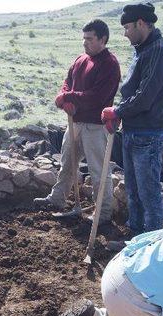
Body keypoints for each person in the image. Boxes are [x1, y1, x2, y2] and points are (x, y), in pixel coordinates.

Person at [34, 19, 121, 224]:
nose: (85, 43)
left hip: (96, 127)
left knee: (98, 172)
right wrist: (64, 99)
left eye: (89, 39)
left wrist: (69, 97)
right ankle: (57, 199)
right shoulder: (81, 59)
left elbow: (97, 97)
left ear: (103, 39)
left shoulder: (110, 64)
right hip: (75, 123)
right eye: (84, 38)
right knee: (67, 164)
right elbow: (67, 82)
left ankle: (102, 213)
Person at [101, 3, 163, 233]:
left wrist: (119, 111)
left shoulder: (159, 51)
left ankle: (151, 244)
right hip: (135, 131)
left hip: (149, 135)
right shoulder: (143, 49)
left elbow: (145, 96)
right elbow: (134, 92)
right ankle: (134, 238)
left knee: (148, 194)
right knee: (133, 191)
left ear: (141, 23)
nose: (125, 33)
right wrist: (121, 111)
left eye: (127, 28)